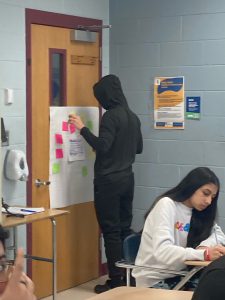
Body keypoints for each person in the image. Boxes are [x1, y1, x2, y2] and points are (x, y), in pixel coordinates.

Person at [68, 74, 143, 293]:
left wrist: (82, 128)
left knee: (110, 232)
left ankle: (116, 283)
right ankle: (128, 278)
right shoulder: (132, 116)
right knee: (123, 230)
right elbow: (138, 148)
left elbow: (103, 146)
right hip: (127, 179)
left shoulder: (111, 117)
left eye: (100, 98)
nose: (99, 103)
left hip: (108, 183)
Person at [132, 167, 225, 289]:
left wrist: (204, 246)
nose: (208, 201)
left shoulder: (198, 212)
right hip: (154, 280)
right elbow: (163, 252)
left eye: (212, 197)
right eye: (205, 193)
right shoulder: (167, 205)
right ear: (192, 186)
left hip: (181, 275)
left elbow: (219, 235)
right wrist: (203, 254)